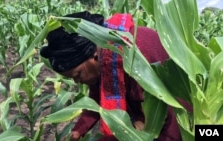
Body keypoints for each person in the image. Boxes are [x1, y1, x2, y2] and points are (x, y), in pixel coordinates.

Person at [40, 11, 190, 141]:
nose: (77, 81)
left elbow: (160, 119)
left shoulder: (133, 58)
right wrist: (79, 130)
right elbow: (96, 98)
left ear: (94, 55)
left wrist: (136, 126)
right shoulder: (105, 54)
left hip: (177, 115)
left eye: (78, 74)